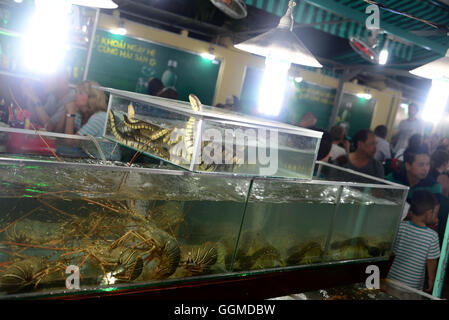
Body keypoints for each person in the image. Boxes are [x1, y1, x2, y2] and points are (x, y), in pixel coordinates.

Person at [387, 190, 440, 292]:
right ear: (429, 213)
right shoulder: (432, 236)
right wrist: (432, 280)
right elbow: (432, 261)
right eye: (435, 213)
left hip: (392, 278)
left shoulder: (400, 226)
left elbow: (391, 250)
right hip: (411, 285)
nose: (436, 217)